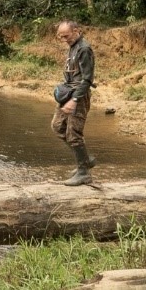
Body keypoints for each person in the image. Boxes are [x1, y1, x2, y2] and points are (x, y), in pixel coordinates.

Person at [51, 20, 96, 186]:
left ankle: (84, 173)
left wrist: (74, 100)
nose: (64, 40)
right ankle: (84, 160)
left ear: (77, 30)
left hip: (78, 96)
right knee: (57, 126)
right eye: (61, 37)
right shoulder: (73, 46)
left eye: (66, 36)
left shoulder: (84, 49)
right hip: (68, 93)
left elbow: (87, 79)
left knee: (73, 133)